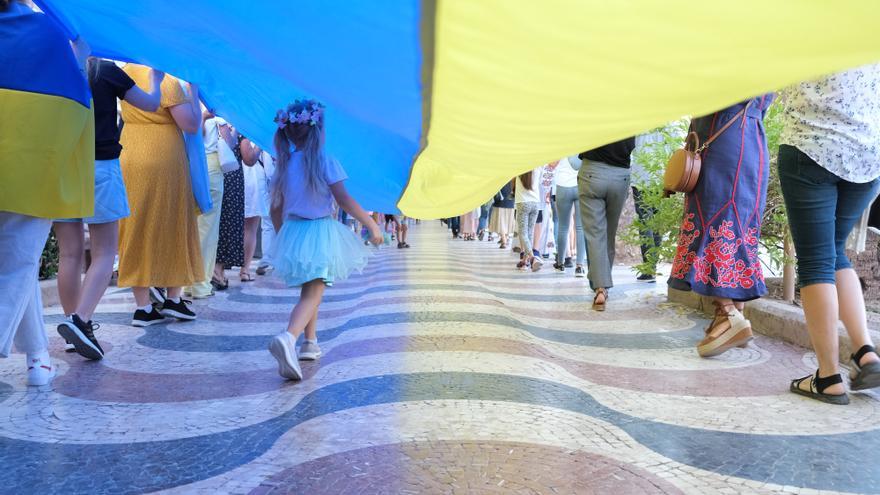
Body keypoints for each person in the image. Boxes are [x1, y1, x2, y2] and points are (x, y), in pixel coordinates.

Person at [0, 0, 92, 384]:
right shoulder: (49, 31)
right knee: (18, 264)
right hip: (32, 171)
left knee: (19, 265)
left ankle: (38, 356)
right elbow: (75, 103)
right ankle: (36, 357)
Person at [778, 65, 880, 404]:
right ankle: (865, 352)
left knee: (815, 262)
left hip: (810, 147)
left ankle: (828, 376)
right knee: (834, 251)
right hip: (866, 157)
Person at [54, 60, 164, 359]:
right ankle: (80, 320)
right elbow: (151, 104)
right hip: (100, 166)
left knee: (69, 254)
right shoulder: (105, 71)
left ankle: (72, 326)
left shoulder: (57, 66)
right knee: (104, 253)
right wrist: (156, 79)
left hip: (63, 167)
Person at [268, 99, 382, 380]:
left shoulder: (284, 164)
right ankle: (288, 337)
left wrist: (282, 233)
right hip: (318, 231)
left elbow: (275, 207)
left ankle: (310, 342)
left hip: (293, 230)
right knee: (314, 291)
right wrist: (371, 224)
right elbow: (344, 200)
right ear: (319, 130)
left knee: (309, 287)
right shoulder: (325, 161)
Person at [668, 95, 774, 355]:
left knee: (716, 220)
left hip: (723, 137)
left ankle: (728, 315)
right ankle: (734, 315)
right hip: (750, 137)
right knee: (736, 223)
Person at [117, 64, 204, 327]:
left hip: (129, 149)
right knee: (172, 222)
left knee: (135, 225)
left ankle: (143, 307)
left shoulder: (126, 72)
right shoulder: (165, 80)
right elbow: (190, 124)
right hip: (163, 156)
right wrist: (195, 91)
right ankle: (173, 299)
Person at [578, 137, 636, 311]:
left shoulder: (594, 112)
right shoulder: (632, 116)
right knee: (609, 234)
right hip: (620, 177)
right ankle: (602, 285)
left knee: (596, 235)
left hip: (592, 173)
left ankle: (600, 287)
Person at [186, 112, 226, 297]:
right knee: (208, 229)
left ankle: (187, 282)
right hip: (210, 164)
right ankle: (201, 284)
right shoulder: (214, 111)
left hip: (188, 164)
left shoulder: (186, 100)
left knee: (192, 227)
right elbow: (228, 141)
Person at [629, 130, 668, 283]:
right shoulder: (668, 122)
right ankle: (653, 266)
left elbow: (631, 149)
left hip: (641, 177)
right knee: (657, 222)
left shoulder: (641, 122)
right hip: (661, 176)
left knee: (645, 222)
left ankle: (649, 268)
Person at [214, 123, 246, 286]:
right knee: (225, 220)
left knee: (227, 220)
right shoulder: (222, 119)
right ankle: (217, 270)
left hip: (230, 173)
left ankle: (218, 269)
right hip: (227, 174)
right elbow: (230, 142)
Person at [553, 156, 586, 277]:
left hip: (562, 185)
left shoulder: (561, 144)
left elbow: (552, 164)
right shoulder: (583, 144)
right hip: (580, 184)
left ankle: (561, 264)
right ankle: (580, 267)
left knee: (563, 227)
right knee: (580, 228)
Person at [240, 137, 262, 281]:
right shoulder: (252, 133)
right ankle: (245, 269)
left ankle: (220, 268)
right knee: (251, 227)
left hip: (236, 172)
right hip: (252, 176)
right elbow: (250, 157)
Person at [254, 148, 277, 275]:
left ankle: (267, 258)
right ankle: (275, 259)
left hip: (268, 187)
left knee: (267, 224)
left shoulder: (266, 142)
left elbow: (269, 173)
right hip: (278, 186)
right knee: (277, 224)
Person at [515, 168, 543, 271]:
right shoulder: (538, 168)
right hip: (535, 203)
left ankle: (532, 258)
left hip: (523, 203)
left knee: (523, 233)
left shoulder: (518, 168)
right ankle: (525, 261)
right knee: (529, 233)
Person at [489, 181, 515, 249]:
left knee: (501, 222)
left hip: (500, 201)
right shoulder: (513, 175)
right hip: (511, 201)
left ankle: (504, 241)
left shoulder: (500, 175)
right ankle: (504, 238)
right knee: (507, 222)